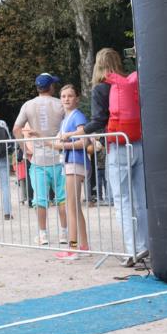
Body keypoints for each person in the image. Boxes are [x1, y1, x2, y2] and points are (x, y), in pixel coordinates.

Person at [67, 48, 149, 264]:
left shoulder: (101, 88)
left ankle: (134, 249)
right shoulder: (130, 83)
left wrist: (76, 133)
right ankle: (148, 245)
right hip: (138, 144)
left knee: (122, 201)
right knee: (141, 199)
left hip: (118, 147)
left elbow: (98, 121)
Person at [14, 73, 68, 245]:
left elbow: (16, 129)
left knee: (40, 198)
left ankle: (43, 234)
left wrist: (25, 150)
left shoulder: (28, 105)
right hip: (59, 156)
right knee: (62, 197)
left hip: (38, 158)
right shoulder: (60, 104)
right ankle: (64, 233)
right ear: (51, 87)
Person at [50, 85, 91, 259]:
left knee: (71, 206)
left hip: (76, 162)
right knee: (75, 206)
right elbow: (56, 142)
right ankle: (84, 245)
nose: (66, 99)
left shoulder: (78, 116)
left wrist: (62, 145)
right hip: (70, 162)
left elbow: (84, 142)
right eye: (63, 96)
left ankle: (73, 248)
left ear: (77, 98)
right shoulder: (66, 119)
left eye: (70, 96)